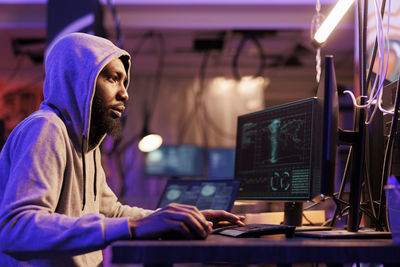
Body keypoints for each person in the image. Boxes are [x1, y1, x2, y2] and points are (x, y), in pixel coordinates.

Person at [0, 32, 244, 267]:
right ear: (78, 78)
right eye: (112, 78)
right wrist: (134, 227)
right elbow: (17, 228)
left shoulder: (86, 144)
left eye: (125, 82)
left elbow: (112, 212)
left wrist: (170, 218)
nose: (125, 94)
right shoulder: (46, 128)